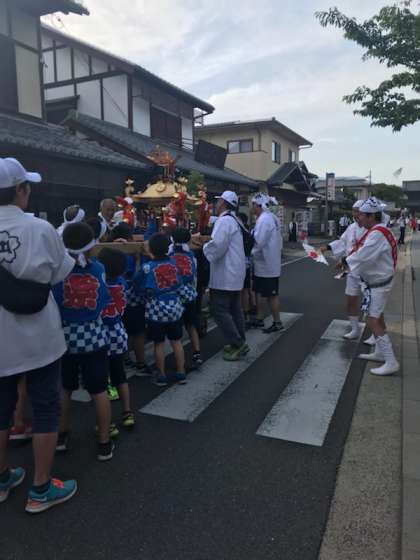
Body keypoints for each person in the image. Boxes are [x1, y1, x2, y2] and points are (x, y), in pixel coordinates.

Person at [0, 157, 77, 513]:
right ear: (20, 190)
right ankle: (41, 488)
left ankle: (2, 479)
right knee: (45, 407)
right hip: (39, 338)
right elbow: (60, 273)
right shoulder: (40, 229)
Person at [52, 222, 115, 460]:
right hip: (94, 337)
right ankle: (104, 442)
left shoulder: (57, 270)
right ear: (91, 246)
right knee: (99, 390)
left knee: (65, 388)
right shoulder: (99, 268)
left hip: (65, 338)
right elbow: (105, 298)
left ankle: (61, 436)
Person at [343, 197, 399, 376]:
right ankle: (381, 352)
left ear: (371, 216)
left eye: (361, 215)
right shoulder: (379, 230)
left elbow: (363, 255)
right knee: (377, 317)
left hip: (379, 284)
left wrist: (345, 262)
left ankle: (391, 361)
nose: (358, 218)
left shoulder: (377, 233)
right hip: (377, 282)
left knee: (373, 320)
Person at [135, 233, 186, 386]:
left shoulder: (147, 267)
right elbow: (180, 282)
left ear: (150, 249)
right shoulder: (174, 263)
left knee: (159, 343)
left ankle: (161, 375)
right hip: (175, 307)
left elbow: (137, 282)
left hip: (155, 309)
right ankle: (181, 372)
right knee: (176, 341)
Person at [203, 191, 248, 361]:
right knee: (235, 309)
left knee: (218, 309)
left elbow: (217, 246)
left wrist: (204, 247)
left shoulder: (224, 221)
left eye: (218, 201)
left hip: (226, 273)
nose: (216, 204)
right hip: (235, 271)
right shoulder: (234, 219)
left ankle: (237, 343)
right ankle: (240, 340)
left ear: (222, 202)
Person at [97, 247, 135, 429]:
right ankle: (127, 412)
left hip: (101, 335)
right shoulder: (122, 283)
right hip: (118, 332)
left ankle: (108, 423)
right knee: (120, 374)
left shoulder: (99, 284)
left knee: (101, 380)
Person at [109, 222, 151, 377]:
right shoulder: (132, 252)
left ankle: (125, 358)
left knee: (124, 329)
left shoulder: (108, 250)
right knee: (138, 332)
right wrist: (139, 258)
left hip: (116, 299)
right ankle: (141, 362)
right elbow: (137, 277)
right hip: (134, 298)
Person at [321, 200, 366, 340]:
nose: (355, 214)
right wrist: (327, 247)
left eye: (357, 211)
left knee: (371, 305)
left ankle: (376, 335)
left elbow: (365, 252)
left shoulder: (371, 229)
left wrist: (344, 261)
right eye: (353, 211)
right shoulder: (351, 227)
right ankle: (355, 329)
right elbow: (342, 242)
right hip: (351, 270)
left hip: (366, 272)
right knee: (350, 300)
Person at [169, 228, 203, 369]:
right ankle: (197, 353)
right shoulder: (191, 255)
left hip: (174, 296)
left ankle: (179, 362)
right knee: (191, 325)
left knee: (176, 329)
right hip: (190, 295)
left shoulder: (169, 254)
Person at [251, 193, 283, 333]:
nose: (251, 207)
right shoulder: (270, 217)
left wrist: (249, 252)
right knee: (259, 292)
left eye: (252, 204)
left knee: (271, 295)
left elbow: (259, 242)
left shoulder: (265, 220)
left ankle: (277, 322)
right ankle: (259, 318)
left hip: (267, 263)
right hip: (266, 262)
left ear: (257, 205)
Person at [238, 212, 257, 327]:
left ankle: (243, 312)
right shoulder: (249, 233)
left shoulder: (240, 232)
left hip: (240, 263)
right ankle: (248, 311)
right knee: (246, 288)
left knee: (242, 290)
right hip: (248, 263)